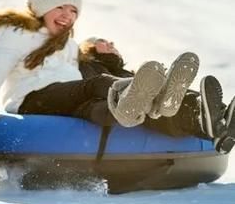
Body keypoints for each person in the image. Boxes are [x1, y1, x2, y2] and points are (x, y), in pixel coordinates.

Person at [0, 0, 207, 142]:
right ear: (42, 6)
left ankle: (157, 104)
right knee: (97, 85)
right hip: (33, 99)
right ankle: (155, 97)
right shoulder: (17, 33)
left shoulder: (69, 45)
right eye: (60, 7)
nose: (68, 16)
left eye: (73, 11)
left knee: (95, 108)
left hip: (68, 98)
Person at [79, 36, 235, 153]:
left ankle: (220, 118)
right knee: (158, 107)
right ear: (88, 48)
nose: (111, 44)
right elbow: (95, 87)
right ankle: (208, 123)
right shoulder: (89, 65)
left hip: (146, 103)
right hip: (120, 103)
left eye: (112, 43)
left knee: (174, 96)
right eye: (102, 41)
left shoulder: (127, 71)